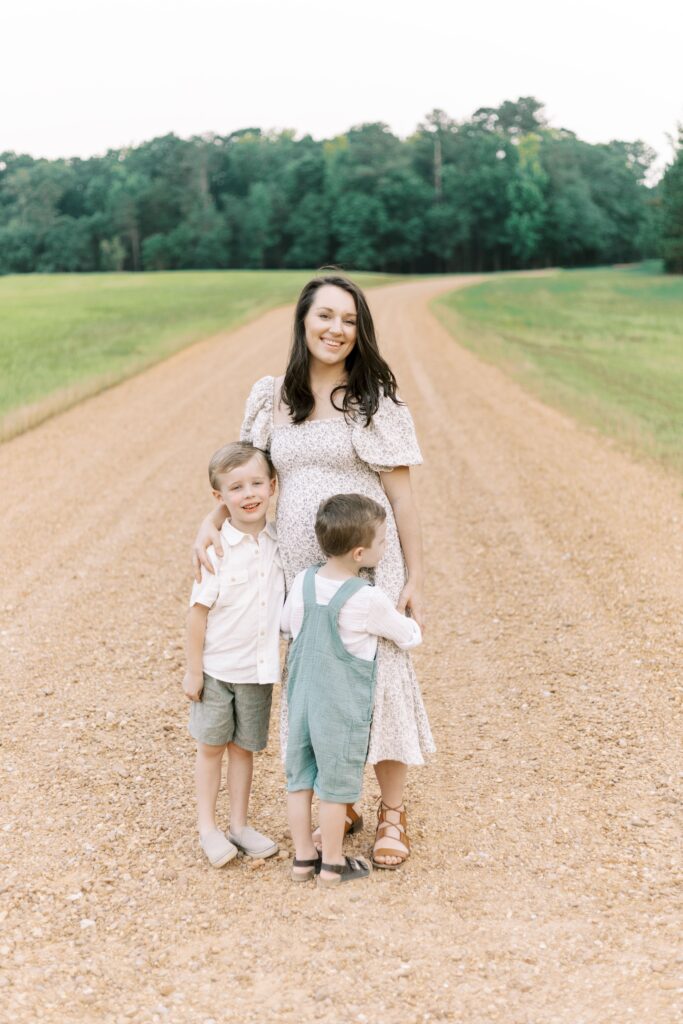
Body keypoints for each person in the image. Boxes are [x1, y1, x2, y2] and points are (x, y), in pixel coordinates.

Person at [193, 272, 434, 869]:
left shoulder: (374, 400)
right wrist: (210, 520)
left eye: (350, 321)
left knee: (380, 678)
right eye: (326, 316)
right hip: (299, 568)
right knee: (318, 687)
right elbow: (245, 473)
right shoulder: (272, 395)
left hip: (366, 563)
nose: (337, 330)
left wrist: (417, 575)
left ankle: (393, 813)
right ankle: (338, 799)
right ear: (304, 321)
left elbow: (402, 498)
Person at [283, 494, 422, 886]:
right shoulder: (368, 598)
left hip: (302, 703)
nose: (386, 547)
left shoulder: (303, 582)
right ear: (360, 553)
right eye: (382, 542)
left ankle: (301, 858)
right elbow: (406, 636)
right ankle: (331, 864)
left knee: (299, 780)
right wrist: (414, 626)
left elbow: (286, 625)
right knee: (334, 785)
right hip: (340, 709)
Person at [183, 442, 284, 868]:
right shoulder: (216, 549)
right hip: (217, 670)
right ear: (219, 499)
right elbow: (197, 615)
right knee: (211, 747)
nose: (248, 494)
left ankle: (239, 825)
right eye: (236, 487)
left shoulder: (280, 544)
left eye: (256, 483)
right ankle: (208, 827)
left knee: (244, 749)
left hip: (257, 671)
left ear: (273, 486)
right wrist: (193, 671)